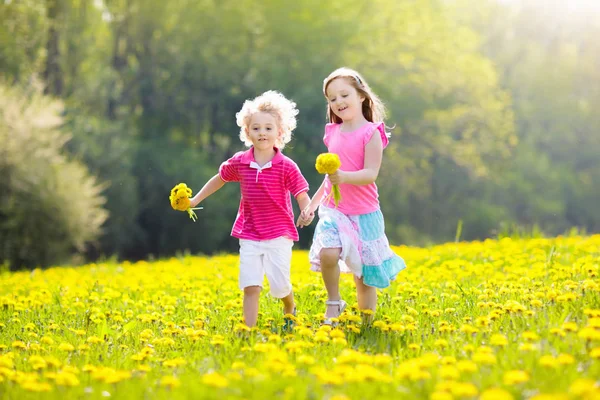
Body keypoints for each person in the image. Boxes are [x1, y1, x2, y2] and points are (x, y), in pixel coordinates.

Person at [190, 90, 312, 328]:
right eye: (256, 128)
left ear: (280, 132)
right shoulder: (240, 162)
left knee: (279, 285)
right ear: (247, 132)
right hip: (249, 232)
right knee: (251, 284)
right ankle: (249, 330)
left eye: (268, 128)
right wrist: (195, 199)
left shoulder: (286, 166)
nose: (262, 133)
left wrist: (306, 211)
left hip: (279, 233)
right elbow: (220, 178)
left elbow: (301, 192)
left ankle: (289, 306)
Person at [299, 67, 406, 325]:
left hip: (365, 213)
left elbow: (370, 173)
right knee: (327, 253)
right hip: (334, 211)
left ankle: (367, 323)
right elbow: (329, 177)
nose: (338, 102)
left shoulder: (371, 133)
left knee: (364, 276)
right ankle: (334, 302)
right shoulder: (332, 133)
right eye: (332, 99)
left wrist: (344, 177)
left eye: (344, 95)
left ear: (361, 96)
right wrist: (312, 207)